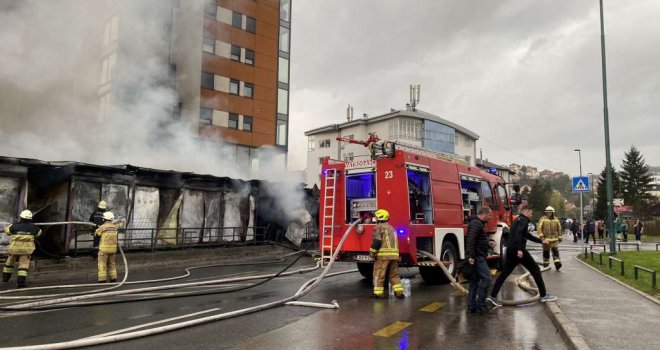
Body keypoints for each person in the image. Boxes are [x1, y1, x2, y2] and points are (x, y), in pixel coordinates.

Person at [487, 204, 557, 307]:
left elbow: (526, 235)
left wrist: (540, 241)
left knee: (505, 273)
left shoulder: (518, 220)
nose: (531, 214)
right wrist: (520, 249)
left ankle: (493, 296)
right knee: (535, 269)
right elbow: (519, 234)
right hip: (518, 251)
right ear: (527, 211)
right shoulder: (523, 220)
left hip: (511, 250)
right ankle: (543, 295)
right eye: (531, 212)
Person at [369, 209, 404, 299]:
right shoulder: (392, 228)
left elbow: (377, 241)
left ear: (379, 217)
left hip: (383, 256)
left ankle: (378, 293)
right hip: (394, 256)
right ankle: (399, 292)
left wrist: (372, 252)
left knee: (379, 274)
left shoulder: (379, 227)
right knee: (394, 274)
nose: (375, 219)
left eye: (376, 217)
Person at [3, 210, 42, 288]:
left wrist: (14, 226)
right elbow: (39, 233)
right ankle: (21, 283)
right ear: (30, 218)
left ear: (21, 217)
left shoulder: (14, 226)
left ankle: (5, 279)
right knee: (23, 266)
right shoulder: (34, 228)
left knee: (9, 263)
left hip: (14, 249)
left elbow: (7, 231)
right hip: (26, 250)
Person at [466, 207, 493, 314]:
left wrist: (488, 243)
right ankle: (480, 305)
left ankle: (472, 306)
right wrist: (471, 256)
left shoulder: (478, 223)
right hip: (477, 257)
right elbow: (471, 240)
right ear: (484, 214)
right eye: (489, 215)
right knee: (487, 279)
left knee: (475, 280)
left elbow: (477, 239)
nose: (490, 218)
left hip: (477, 255)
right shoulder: (477, 224)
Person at [96, 211, 120, 283]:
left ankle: (102, 279)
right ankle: (113, 278)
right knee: (112, 264)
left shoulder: (103, 227)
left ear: (104, 219)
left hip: (104, 250)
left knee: (102, 264)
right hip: (113, 249)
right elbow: (120, 224)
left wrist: (98, 228)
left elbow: (97, 234)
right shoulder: (115, 227)